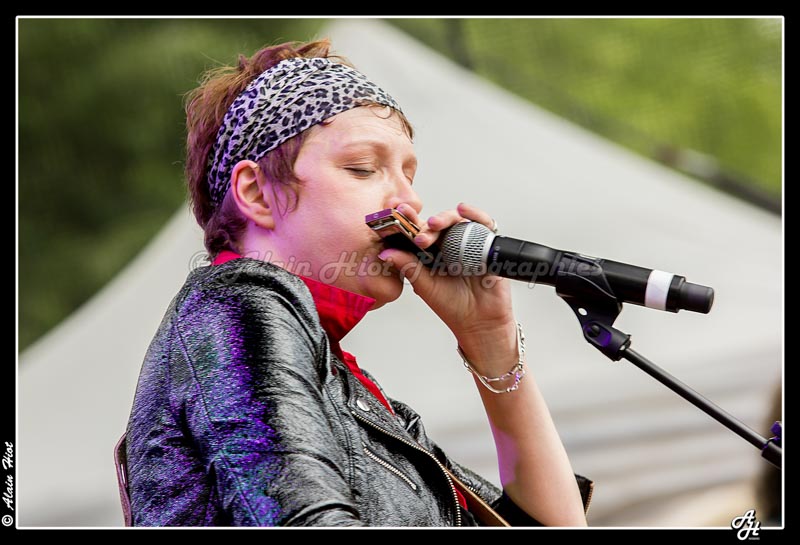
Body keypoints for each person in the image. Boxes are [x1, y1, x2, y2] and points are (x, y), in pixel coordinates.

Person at [123, 38, 592, 527]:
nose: (409, 201)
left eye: (410, 176)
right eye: (363, 168)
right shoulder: (234, 304)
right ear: (258, 193)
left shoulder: (361, 399)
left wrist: (490, 340)